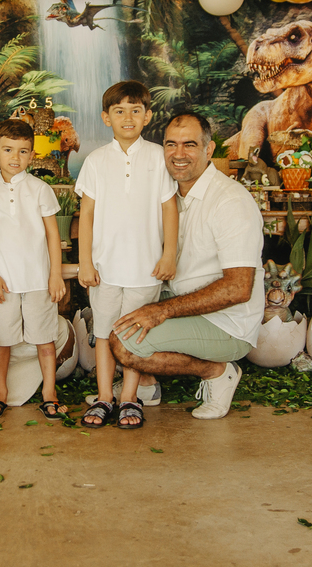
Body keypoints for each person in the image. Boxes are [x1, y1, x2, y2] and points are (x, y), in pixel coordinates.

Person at [110, 110, 265, 422]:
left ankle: (218, 372)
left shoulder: (230, 201)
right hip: (183, 301)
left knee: (123, 343)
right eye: (170, 144)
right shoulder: (168, 194)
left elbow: (238, 289)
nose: (178, 155)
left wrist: (162, 311)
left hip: (226, 322)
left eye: (190, 145)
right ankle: (146, 386)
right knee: (111, 314)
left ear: (209, 150)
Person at [76, 81, 178, 429]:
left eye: (136, 110)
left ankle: (129, 397)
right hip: (104, 268)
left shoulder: (157, 157)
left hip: (145, 268)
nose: (128, 117)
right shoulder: (96, 161)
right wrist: (86, 261)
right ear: (107, 118)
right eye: (119, 111)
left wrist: (169, 254)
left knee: (135, 335)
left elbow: (169, 209)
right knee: (104, 332)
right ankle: (105, 396)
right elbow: (86, 214)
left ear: (148, 116)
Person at [0, 118, 68, 420]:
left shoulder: (40, 189)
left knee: (44, 340)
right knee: (2, 342)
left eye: (23, 151)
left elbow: (53, 234)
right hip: (4, 283)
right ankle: (0, 393)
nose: (15, 158)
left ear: (32, 155)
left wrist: (55, 275)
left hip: (39, 281)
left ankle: (49, 392)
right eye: (8, 150)